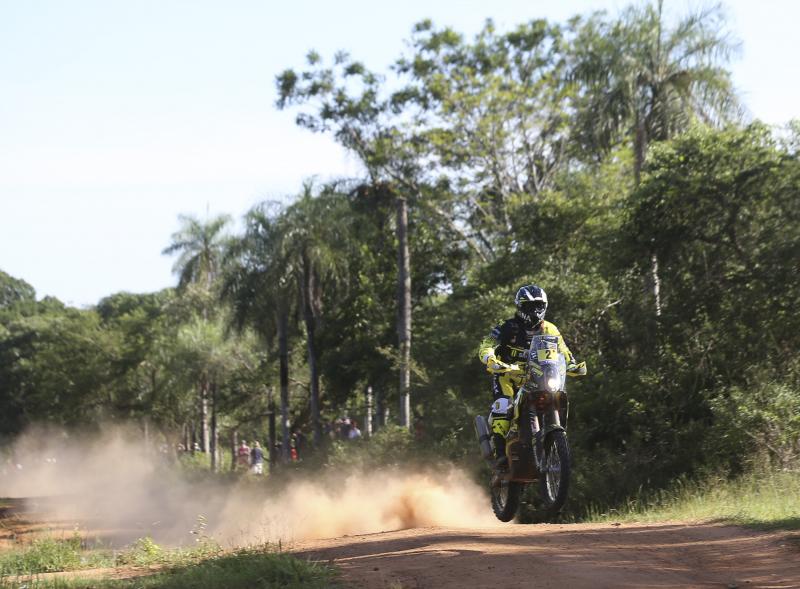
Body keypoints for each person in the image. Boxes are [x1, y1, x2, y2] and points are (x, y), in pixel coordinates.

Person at [478, 284, 586, 469]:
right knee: (503, 406)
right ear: (520, 307)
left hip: (538, 376)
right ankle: (500, 453)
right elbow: (486, 345)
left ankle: (551, 440)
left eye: (539, 306)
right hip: (508, 375)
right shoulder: (506, 327)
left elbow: (564, 351)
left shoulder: (550, 329)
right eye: (530, 306)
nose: (535, 310)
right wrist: (490, 359)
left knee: (557, 394)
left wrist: (573, 364)